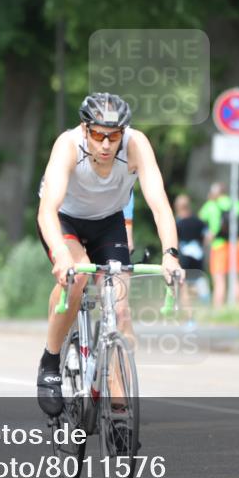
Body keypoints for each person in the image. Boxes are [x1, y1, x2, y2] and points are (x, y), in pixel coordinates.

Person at [35, 92, 183, 417]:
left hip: (108, 222)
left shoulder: (136, 145)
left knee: (121, 309)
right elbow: (47, 211)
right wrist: (61, 255)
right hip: (65, 220)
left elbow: (159, 205)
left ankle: (118, 412)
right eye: (98, 135)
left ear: (123, 134)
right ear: (85, 129)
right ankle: (50, 358)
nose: (105, 144)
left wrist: (171, 254)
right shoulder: (68, 145)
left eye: (113, 136)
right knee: (79, 276)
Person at [198, 182, 239, 307]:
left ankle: (218, 310)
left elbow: (201, 217)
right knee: (236, 279)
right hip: (234, 245)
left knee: (219, 281)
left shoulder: (211, 205)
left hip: (218, 246)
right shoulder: (234, 203)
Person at [174, 194, 208, 322]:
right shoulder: (199, 221)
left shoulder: (177, 223)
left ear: (177, 207)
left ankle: (190, 317)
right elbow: (208, 236)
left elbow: (174, 241)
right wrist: (201, 246)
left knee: (184, 288)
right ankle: (204, 311)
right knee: (197, 283)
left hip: (184, 258)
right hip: (198, 257)